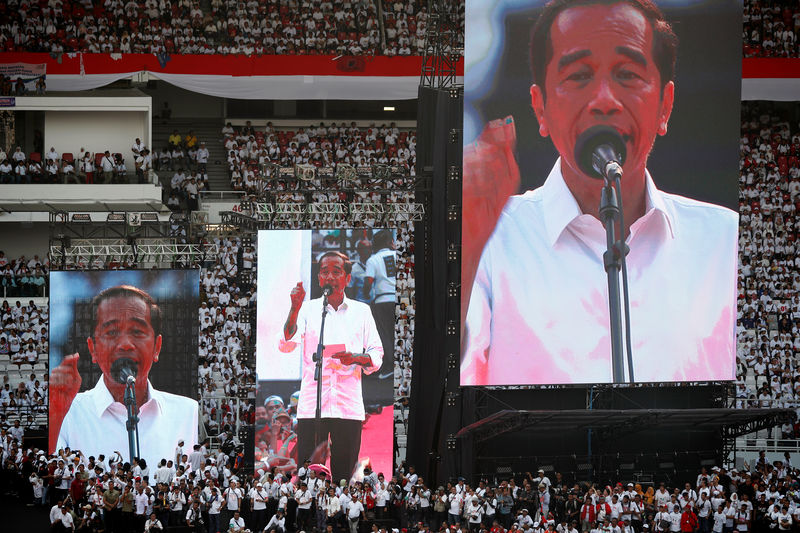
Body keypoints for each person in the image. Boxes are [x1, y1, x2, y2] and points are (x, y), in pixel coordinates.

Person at [461, 0, 738, 385]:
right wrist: (465, 255)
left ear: (665, 107)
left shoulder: (727, 243)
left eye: (627, 74)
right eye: (578, 76)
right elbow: (447, 379)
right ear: (540, 109)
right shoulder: (489, 240)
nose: (604, 100)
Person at [50, 285, 199, 468]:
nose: (125, 345)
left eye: (137, 332)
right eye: (111, 332)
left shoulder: (187, 412)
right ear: (92, 349)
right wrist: (56, 415)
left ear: (157, 347)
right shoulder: (69, 413)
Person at [281, 251, 383, 483]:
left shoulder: (362, 311)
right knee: (308, 477)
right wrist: (294, 308)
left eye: (336, 272)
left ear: (347, 278)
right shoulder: (307, 309)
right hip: (312, 406)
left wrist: (356, 357)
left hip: (347, 406)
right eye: (324, 272)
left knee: (343, 477)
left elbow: (377, 354)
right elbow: (286, 344)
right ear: (318, 279)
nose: (329, 277)